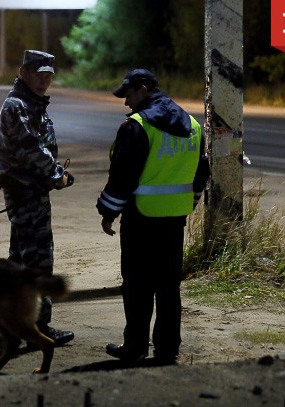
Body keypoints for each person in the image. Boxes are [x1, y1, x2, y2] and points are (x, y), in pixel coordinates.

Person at [96, 69, 209, 365]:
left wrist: (108, 212)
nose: (126, 103)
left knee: (137, 286)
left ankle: (135, 347)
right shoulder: (193, 124)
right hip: (174, 220)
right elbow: (201, 172)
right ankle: (168, 348)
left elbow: (122, 176)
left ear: (143, 90)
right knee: (169, 286)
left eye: (129, 95)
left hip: (141, 219)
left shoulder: (137, 126)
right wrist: (190, 202)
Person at [0, 50, 75, 346]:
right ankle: (37, 328)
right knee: (38, 261)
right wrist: (57, 175)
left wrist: (52, 175)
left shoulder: (32, 104)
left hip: (29, 193)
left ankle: (12, 321)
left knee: (19, 261)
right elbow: (31, 149)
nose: (43, 80)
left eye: (48, 75)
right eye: (38, 74)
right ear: (22, 72)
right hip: (26, 195)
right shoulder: (18, 106)